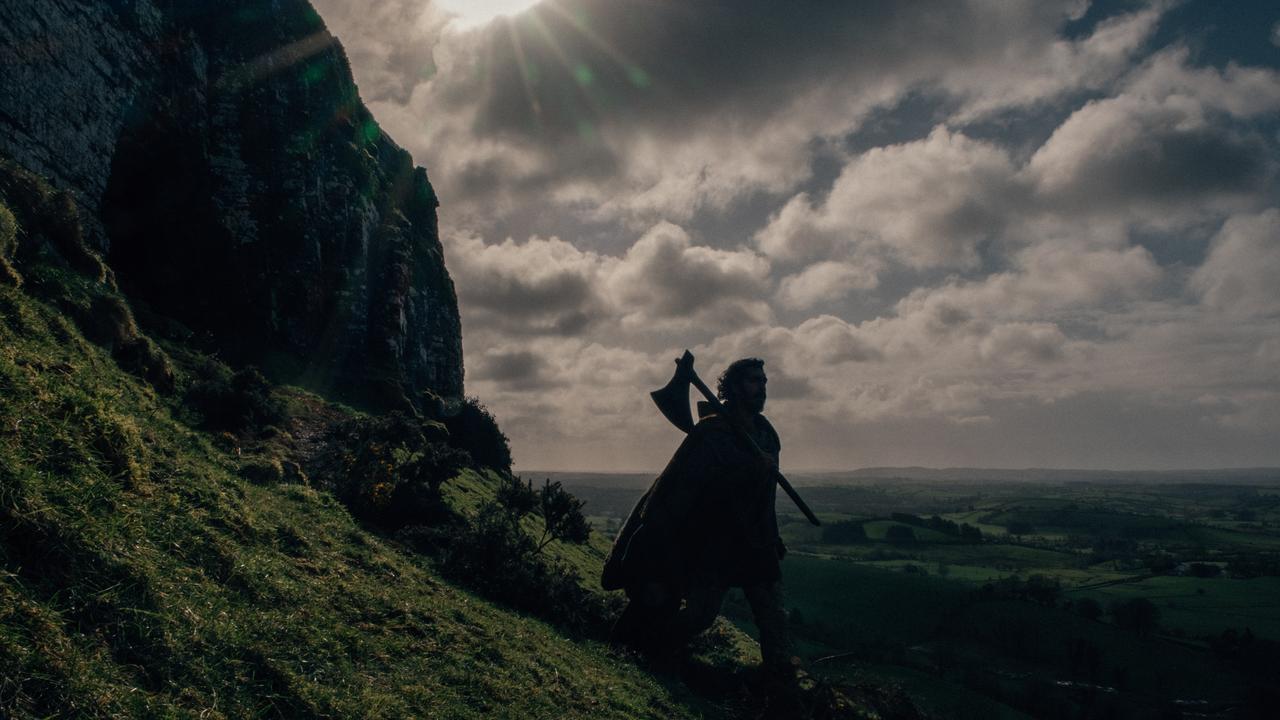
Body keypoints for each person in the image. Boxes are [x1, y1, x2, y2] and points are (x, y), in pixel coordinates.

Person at [603, 357, 795, 681]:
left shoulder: (766, 437)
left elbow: (764, 498)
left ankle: (785, 697)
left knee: (773, 617)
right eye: (753, 381)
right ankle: (651, 650)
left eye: (763, 381)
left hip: (755, 541)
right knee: (699, 615)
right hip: (715, 544)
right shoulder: (712, 434)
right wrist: (749, 470)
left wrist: (772, 537)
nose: (761, 387)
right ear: (733, 388)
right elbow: (692, 490)